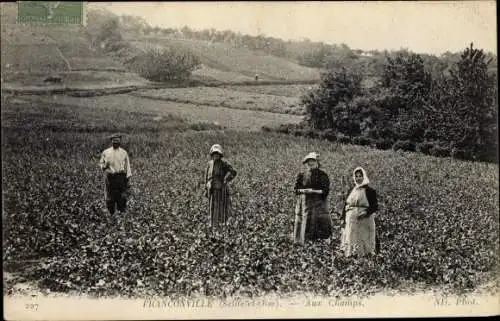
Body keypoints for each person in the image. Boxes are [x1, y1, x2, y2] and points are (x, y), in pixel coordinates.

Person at [293, 152, 332, 244]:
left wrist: (313, 191)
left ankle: (320, 244)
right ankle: (304, 242)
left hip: (319, 204)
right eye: (308, 161)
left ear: (317, 162)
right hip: (304, 204)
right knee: (305, 223)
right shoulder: (302, 175)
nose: (310, 163)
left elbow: (325, 190)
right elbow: (296, 189)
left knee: (319, 223)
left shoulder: (323, 175)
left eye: (312, 161)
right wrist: (304, 191)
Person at [340, 167, 379, 257]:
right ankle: (351, 254)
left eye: (360, 176)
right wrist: (342, 218)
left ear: (364, 176)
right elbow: (346, 204)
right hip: (351, 219)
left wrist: (366, 212)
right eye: (356, 176)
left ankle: (365, 255)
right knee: (351, 236)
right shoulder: (352, 190)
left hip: (364, 219)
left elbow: (375, 206)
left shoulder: (370, 191)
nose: (358, 178)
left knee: (364, 238)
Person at [205, 144, 237, 230]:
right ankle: (212, 225)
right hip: (211, 189)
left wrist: (227, 179)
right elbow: (206, 177)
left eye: (217, 154)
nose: (216, 155)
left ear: (220, 155)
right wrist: (206, 188)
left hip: (220, 189)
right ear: (212, 154)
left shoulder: (223, 163)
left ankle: (221, 226)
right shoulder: (209, 164)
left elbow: (233, 172)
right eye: (214, 154)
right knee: (212, 207)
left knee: (220, 207)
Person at [99, 134, 132, 218]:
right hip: (110, 177)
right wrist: (105, 166)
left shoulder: (124, 152)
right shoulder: (106, 152)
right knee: (110, 197)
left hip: (121, 177)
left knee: (122, 197)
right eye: (114, 141)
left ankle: (121, 215)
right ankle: (111, 214)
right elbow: (101, 164)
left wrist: (128, 179)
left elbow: (127, 166)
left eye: (117, 141)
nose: (116, 143)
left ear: (120, 142)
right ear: (112, 141)